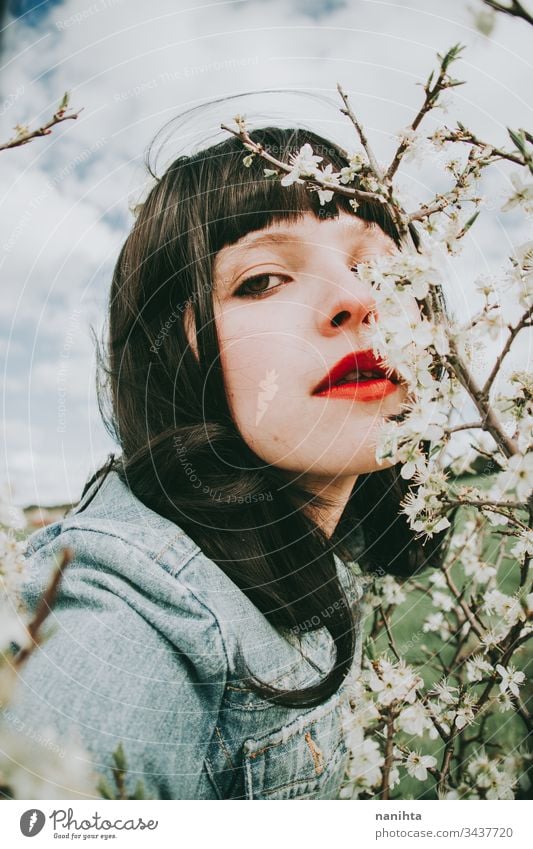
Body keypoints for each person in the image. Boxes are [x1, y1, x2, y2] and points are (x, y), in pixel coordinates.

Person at [7, 122, 448, 800]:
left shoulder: (308, 552)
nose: (356, 300)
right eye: (263, 278)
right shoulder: (133, 626)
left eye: (377, 269)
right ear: (172, 351)